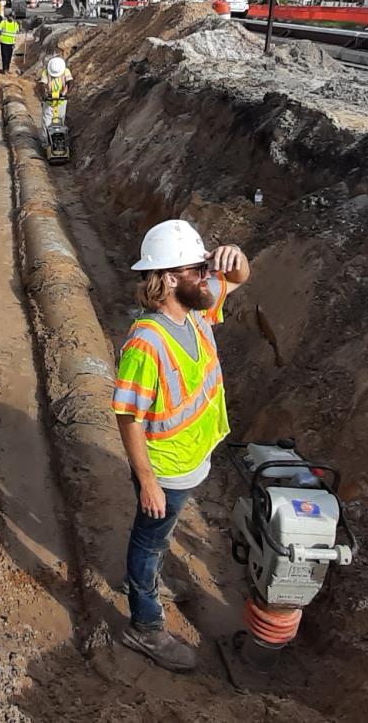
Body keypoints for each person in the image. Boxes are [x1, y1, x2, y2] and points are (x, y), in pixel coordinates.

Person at [110, 219, 251, 672]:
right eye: (198, 269)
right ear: (169, 278)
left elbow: (238, 278)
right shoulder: (146, 343)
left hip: (193, 458)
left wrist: (233, 259)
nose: (208, 277)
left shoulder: (197, 311)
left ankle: (143, 583)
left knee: (159, 537)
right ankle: (145, 626)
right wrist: (148, 481)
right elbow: (127, 416)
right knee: (149, 542)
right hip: (165, 469)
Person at [40, 55, 71, 126]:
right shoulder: (45, 72)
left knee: (60, 122)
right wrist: (45, 94)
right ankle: (45, 137)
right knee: (46, 124)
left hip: (61, 101)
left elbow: (69, 82)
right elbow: (43, 84)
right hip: (49, 101)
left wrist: (64, 92)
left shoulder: (66, 71)